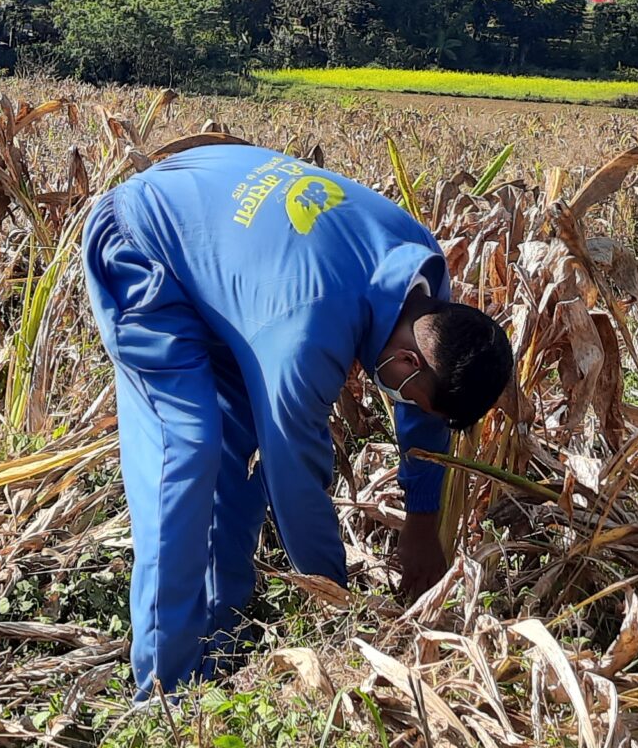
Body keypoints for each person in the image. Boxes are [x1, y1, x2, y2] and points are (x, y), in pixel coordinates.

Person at [83, 142, 514, 694]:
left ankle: (224, 641)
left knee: (232, 462)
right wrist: (336, 608)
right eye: (412, 395)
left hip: (224, 244)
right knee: (187, 452)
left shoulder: (421, 278)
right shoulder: (306, 333)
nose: (405, 403)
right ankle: (165, 689)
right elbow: (295, 481)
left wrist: (422, 525)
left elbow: (425, 417)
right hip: (142, 242)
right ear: (407, 362)